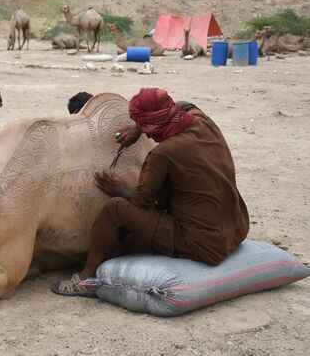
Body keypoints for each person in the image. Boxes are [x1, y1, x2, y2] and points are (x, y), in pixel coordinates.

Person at [52, 87, 249, 296]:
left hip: (203, 243)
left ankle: (86, 278)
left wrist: (117, 188)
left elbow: (142, 200)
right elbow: (183, 102)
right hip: (236, 227)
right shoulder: (202, 121)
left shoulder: (163, 154)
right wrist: (137, 128)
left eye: (145, 127)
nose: (146, 134)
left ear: (153, 124)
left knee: (114, 209)